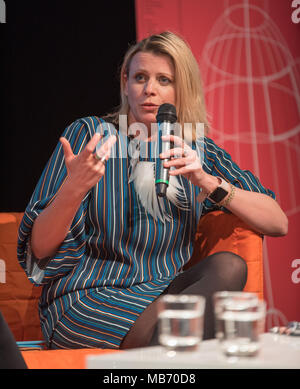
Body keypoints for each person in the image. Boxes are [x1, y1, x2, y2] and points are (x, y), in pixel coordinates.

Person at [17, 31, 288, 350]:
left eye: (164, 80)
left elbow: (277, 222)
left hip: (162, 292)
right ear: (125, 82)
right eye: (140, 78)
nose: (149, 90)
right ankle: (178, 349)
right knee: (180, 335)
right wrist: (73, 189)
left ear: (181, 89)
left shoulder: (199, 150)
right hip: (88, 297)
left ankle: (175, 346)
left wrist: (208, 182)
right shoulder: (91, 136)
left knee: (229, 265)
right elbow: (40, 250)